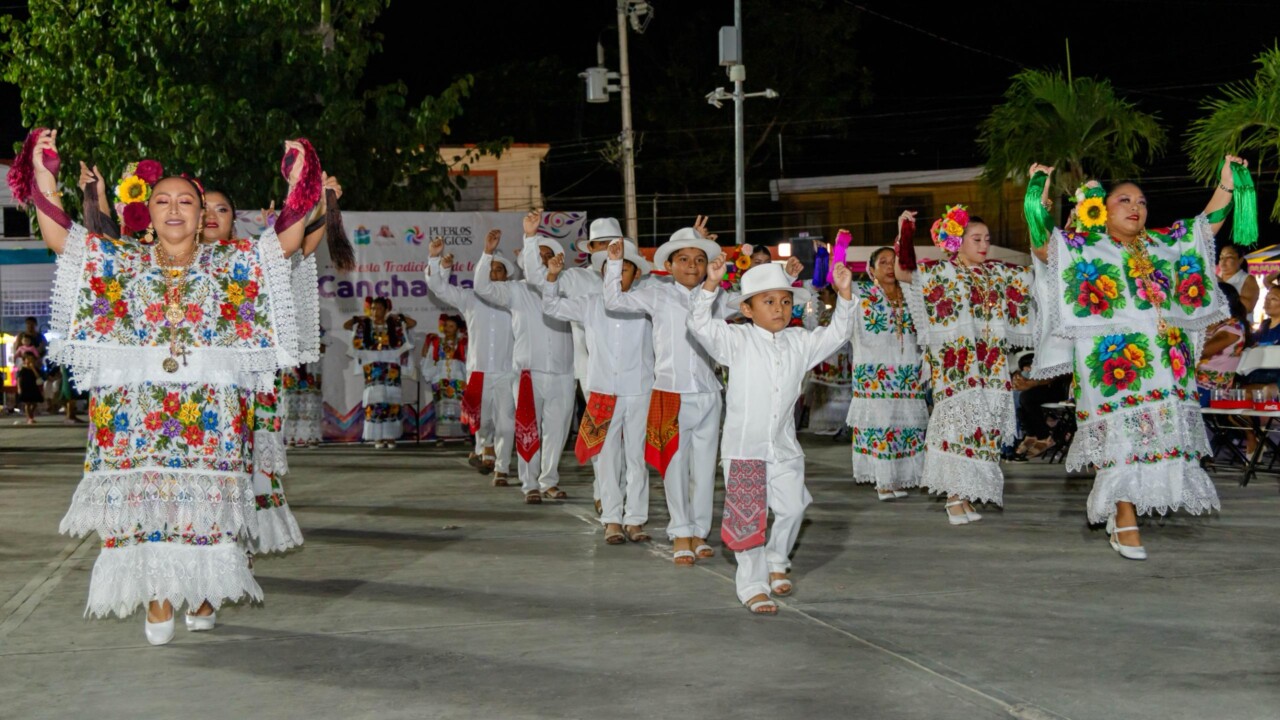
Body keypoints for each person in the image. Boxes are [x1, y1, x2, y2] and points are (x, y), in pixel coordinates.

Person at [20, 128, 324, 643]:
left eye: (186, 200)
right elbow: (62, 240)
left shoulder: (232, 264)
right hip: (136, 415)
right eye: (163, 200)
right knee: (147, 506)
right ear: (151, 212)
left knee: (203, 510)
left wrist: (302, 181)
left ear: (204, 212)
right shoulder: (125, 261)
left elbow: (288, 241)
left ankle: (200, 591)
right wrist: (44, 179)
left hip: (209, 412)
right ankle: (158, 598)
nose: (174, 209)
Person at [1024, 157, 1247, 559]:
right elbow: (1044, 246)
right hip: (1113, 367)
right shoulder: (1085, 247)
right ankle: (1125, 516)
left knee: (1156, 439)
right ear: (1103, 211)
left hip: (1165, 364)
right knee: (1122, 438)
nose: (1135, 207)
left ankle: (1126, 509)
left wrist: (1227, 185)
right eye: (1123, 200)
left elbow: (1203, 230)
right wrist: (1036, 199)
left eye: (1141, 201)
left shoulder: (1163, 244)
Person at [687, 256, 855, 614]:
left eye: (785, 300)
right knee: (748, 518)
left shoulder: (800, 341)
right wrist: (711, 286)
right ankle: (752, 585)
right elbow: (699, 324)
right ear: (747, 309)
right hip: (745, 448)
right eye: (768, 301)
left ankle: (777, 558)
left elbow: (839, 334)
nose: (779, 308)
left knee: (794, 507)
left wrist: (844, 295)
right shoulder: (736, 340)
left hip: (784, 447)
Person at [896, 206, 1034, 525]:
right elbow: (906, 273)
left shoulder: (996, 274)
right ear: (958, 241)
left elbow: (1032, 277)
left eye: (987, 239)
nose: (984, 245)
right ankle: (954, 498)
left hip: (991, 366)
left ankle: (967, 493)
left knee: (983, 431)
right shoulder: (943, 273)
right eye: (976, 239)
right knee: (959, 429)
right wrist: (905, 232)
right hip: (957, 369)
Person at [601, 220, 728, 565]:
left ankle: (700, 531)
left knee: (704, 470)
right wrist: (614, 264)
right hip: (669, 393)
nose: (692, 266)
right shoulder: (656, 293)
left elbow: (753, 305)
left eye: (699, 259)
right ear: (668, 266)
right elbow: (613, 300)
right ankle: (680, 532)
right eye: (683, 259)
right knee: (674, 467)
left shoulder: (717, 296)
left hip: (708, 393)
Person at [541, 242, 654, 544]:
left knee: (636, 459)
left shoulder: (646, 302)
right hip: (602, 391)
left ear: (637, 274)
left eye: (623, 267)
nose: (616, 274)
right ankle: (612, 519)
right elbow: (551, 307)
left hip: (639, 390)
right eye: (609, 268)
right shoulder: (589, 302)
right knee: (605, 458)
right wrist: (552, 277)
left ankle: (635, 519)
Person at [472, 218, 575, 503]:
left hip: (564, 373)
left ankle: (549, 481)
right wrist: (487, 254)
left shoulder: (569, 287)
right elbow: (482, 287)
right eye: (536, 256)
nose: (541, 262)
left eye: (546, 256)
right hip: (528, 373)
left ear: (558, 261)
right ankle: (529, 484)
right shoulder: (516, 290)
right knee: (529, 428)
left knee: (557, 432)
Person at [426, 237, 517, 484]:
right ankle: (483, 448)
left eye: (499, 269)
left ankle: (502, 467)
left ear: (507, 276)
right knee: (483, 420)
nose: (494, 273)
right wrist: (435, 260)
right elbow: (439, 288)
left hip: (508, 371)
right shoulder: (470, 298)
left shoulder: (515, 300)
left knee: (507, 424)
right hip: (478, 371)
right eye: (490, 268)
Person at [846, 237, 927, 500]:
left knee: (905, 427)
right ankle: (883, 481)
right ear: (871, 270)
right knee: (881, 426)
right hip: (874, 376)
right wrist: (836, 252)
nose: (890, 267)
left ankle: (901, 477)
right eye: (884, 262)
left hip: (906, 374)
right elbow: (837, 289)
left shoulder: (913, 296)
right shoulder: (861, 295)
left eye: (895, 262)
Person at [344, 297, 416, 449]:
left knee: (391, 399)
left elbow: (412, 324)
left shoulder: (393, 324)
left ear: (386, 310)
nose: (376, 311)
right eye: (373, 308)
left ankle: (391, 437)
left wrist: (400, 317)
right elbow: (347, 325)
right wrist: (358, 318)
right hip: (373, 367)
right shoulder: (365, 324)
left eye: (379, 308)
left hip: (391, 366)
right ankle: (378, 437)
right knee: (376, 400)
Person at [1197, 282, 1250, 406]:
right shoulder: (1207, 325)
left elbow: (1202, 352)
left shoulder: (1233, 327)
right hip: (1194, 385)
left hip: (1211, 390)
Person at [420, 313, 469, 442]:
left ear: (457, 329)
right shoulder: (436, 342)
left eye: (451, 326)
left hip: (458, 378)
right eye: (446, 325)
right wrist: (430, 372)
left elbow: (469, 360)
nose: (448, 329)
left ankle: (463, 434)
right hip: (441, 378)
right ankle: (441, 435)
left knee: (460, 406)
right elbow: (429, 358)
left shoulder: (463, 343)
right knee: (441, 408)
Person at [1216, 243, 1258, 314]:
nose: (1223, 262)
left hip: (1236, 323)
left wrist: (1223, 286)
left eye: (1229, 257)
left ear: (1240, 260)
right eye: (1221, 258)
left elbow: (1248, 308)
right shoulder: (1217, 276)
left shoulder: (1248, 279)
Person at [16, 350, 42, 425]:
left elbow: (38, 377)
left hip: (33, 386)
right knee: (27, 403)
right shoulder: (22, 369)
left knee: (34, 403)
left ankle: (30, 416)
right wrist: (19, 388)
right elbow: (19, 379)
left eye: (32, 359)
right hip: (25, 387)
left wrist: (33, 369)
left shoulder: (35, 368)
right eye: (28, 359)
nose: (30, 360)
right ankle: (30, 418)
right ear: (24, 360)